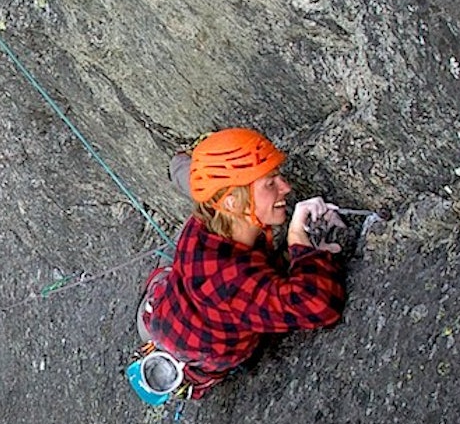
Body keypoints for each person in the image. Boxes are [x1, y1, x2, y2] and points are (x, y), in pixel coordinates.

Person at [137, 127, 347, 396]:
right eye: (270, 183)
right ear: (233, 203)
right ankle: (188, 376)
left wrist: (186, 162)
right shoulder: (231, 282)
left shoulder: (209, 215)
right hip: (195, 347)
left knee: (172, 271)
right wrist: (299, 242)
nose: (286, 187)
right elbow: (320, 306)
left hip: (162, 309)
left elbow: (197, 182)